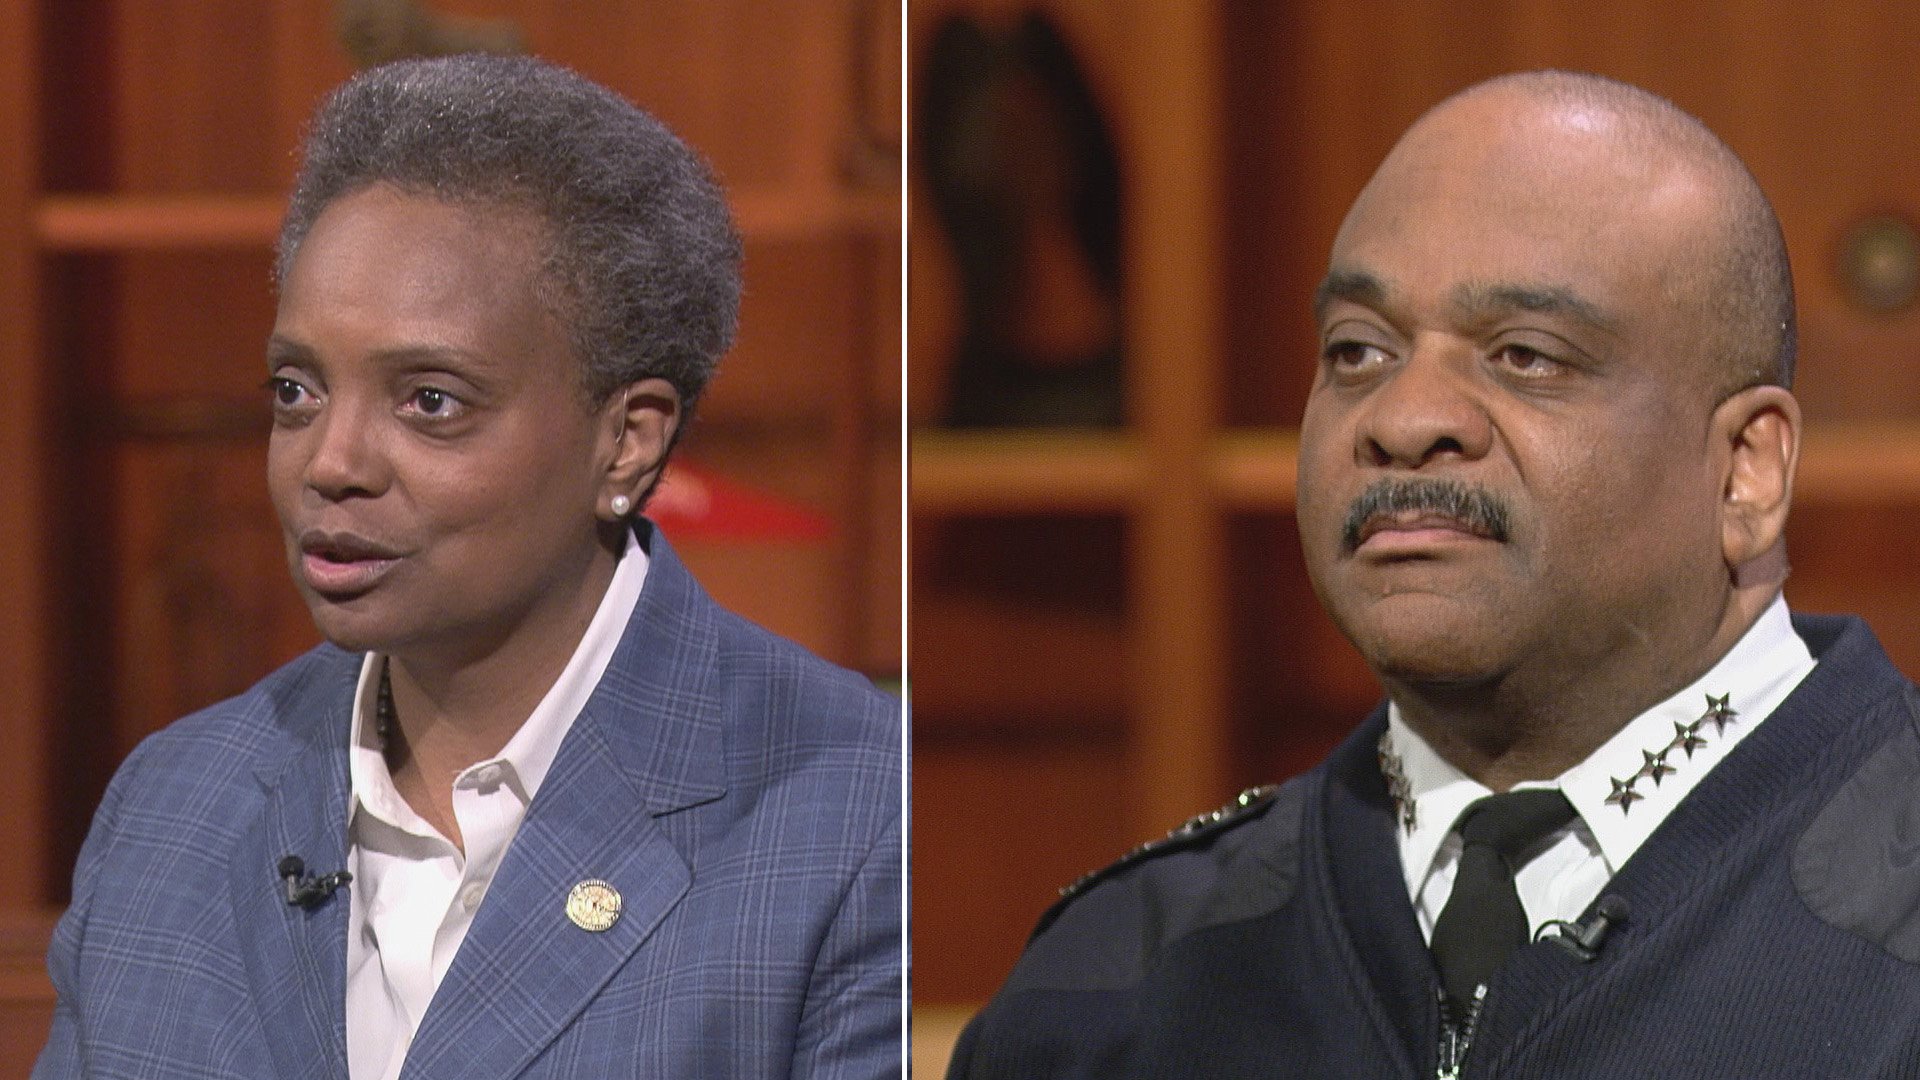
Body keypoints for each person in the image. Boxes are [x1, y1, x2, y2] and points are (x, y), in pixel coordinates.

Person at [947, 71, 1920, 1078]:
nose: (1404, 421)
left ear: (1748, 469)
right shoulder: (1115, 991)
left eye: (1527, 356)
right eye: (1359, 351)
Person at [35, 54, 901, 1080]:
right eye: (297, 391)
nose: (332, 464)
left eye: (430, 402)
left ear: (626, 442)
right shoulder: (172, 808)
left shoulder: (857, 819)